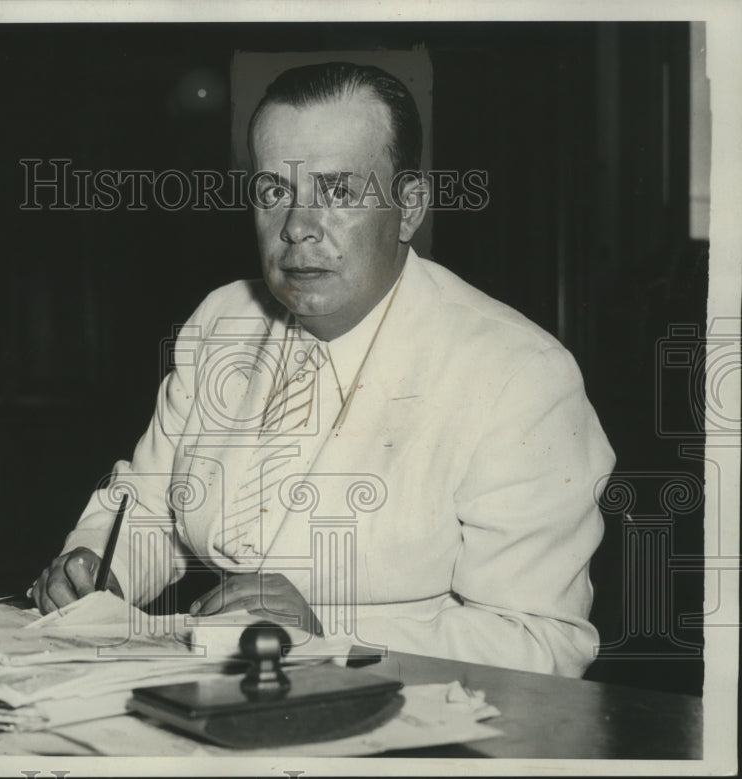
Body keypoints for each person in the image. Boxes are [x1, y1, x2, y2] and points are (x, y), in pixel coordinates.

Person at [31, 62, 616, 678]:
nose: (297, 230)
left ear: (409, 207)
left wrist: (327, 631)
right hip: (222, 692)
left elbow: (542, 643)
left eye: (338, 191)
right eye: (273, 193)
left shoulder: (520, 373)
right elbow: (153, 506)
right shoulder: (222, 319)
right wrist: (98, 569)